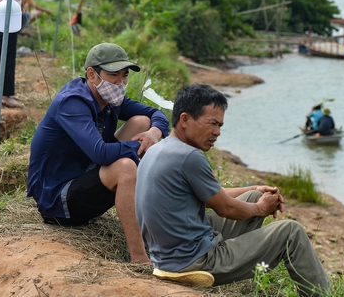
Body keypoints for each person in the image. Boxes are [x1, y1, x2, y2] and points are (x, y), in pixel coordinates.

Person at [135, 84, 331, 296]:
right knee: (291, 232)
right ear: (185, 119)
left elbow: (214, 195)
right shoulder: (189, 157)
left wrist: (255, 189)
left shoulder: (160, 149)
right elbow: (226, 208)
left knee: (254, 196)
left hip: (165, 254)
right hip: (193, 261)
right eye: (212, 124)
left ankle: (242, 248)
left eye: (220, 125)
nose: (217, 132)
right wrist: (260, 209)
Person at [27, 42, 169, 264]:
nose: (120, 83)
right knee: (125, 167)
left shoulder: (111, 99)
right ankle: (140, 258)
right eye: (113, 75)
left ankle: (159, 233)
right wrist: (141, 147)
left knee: (142, 121)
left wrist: (153, 132)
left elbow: (155, 113)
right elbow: (100, 154)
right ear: (91, 74)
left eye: (124, 76)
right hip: (58, 200)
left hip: (85, 174)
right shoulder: (73, 102)